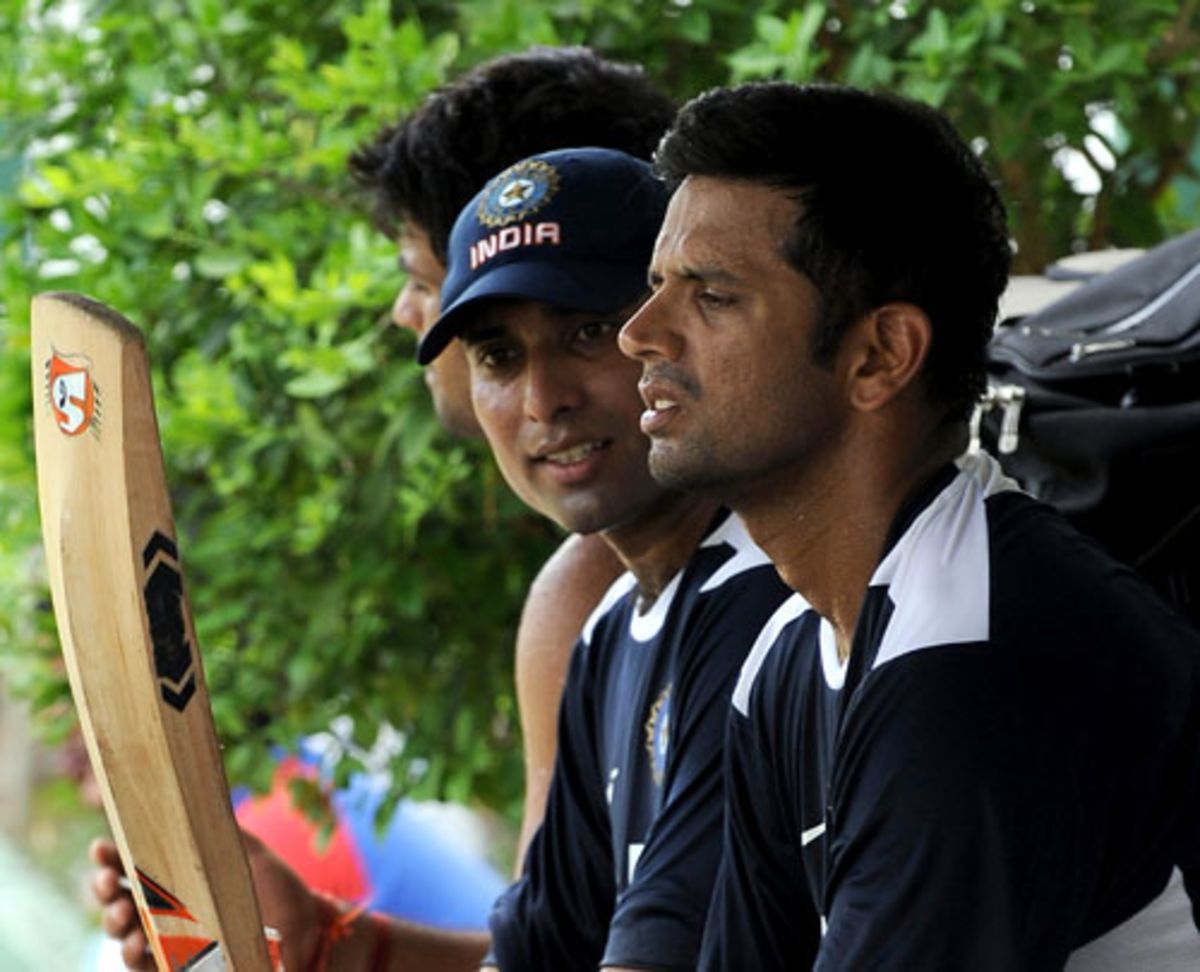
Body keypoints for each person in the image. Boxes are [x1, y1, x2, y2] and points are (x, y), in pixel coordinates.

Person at [98, 148, 793, 971]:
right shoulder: (612, 631)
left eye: (587, 332)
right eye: (499, 357)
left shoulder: (767, 600)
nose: (544, 400)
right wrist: (328, 945)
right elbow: (536, 959)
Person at [619, 80, 1200, 969]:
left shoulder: (971, 664)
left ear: (879, 357)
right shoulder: (786, 655)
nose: (640, 333)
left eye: (712, 296)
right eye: (659, 285)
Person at [346, 47, 676, 858]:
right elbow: (555, 938)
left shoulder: (765, 562)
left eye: (426, 279)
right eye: (495, 351)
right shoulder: (590, 590)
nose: (405, 314)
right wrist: (340, 943)